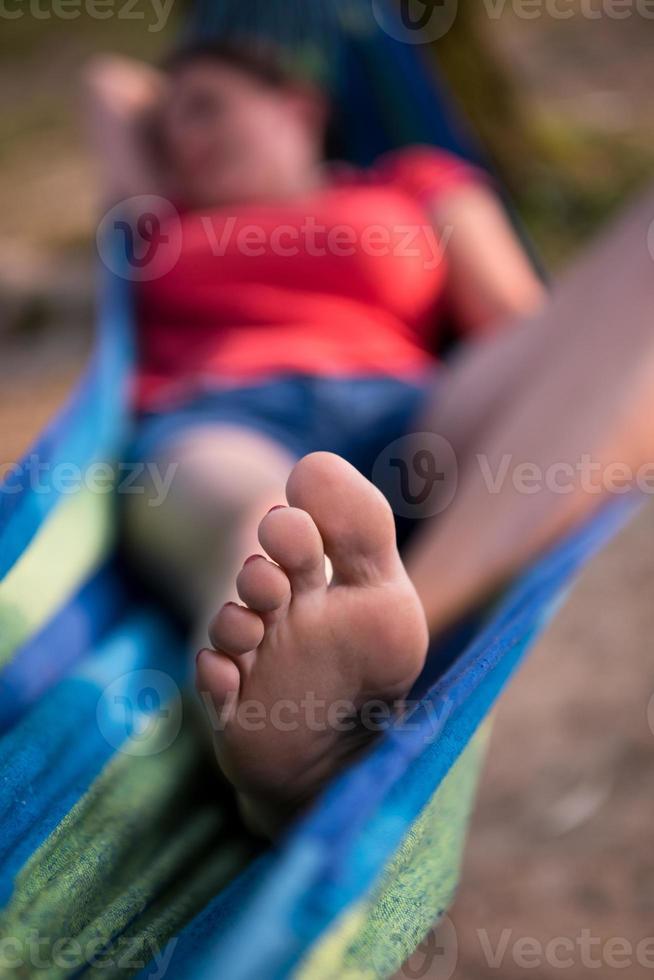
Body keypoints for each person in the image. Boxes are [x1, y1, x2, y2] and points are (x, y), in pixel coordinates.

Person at [84, 43, 654, 837]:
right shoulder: (160, 217)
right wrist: (189, 93)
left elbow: (526, 325)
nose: (183, 138)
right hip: (220, 418)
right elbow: (109, 81)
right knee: (266, 526)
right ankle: (284, 751)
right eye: (168, 123)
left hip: (414, 414)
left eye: (209, 107)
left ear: (302, 107)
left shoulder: (414, 182)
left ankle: (406, 619)